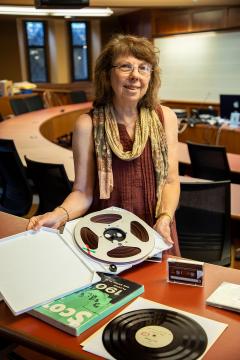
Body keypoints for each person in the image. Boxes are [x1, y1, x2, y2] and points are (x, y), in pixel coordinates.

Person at [27, 34, 181, 256]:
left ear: (151, 76)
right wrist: (57, 214)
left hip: (157, 231)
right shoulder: (87, 125)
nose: (135, 76)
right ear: (107, 74)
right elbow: (82, 192)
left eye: (143, 68)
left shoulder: (165, 118)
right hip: (106, 235)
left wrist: (165, 217)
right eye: (125, 67)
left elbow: (171, 181)